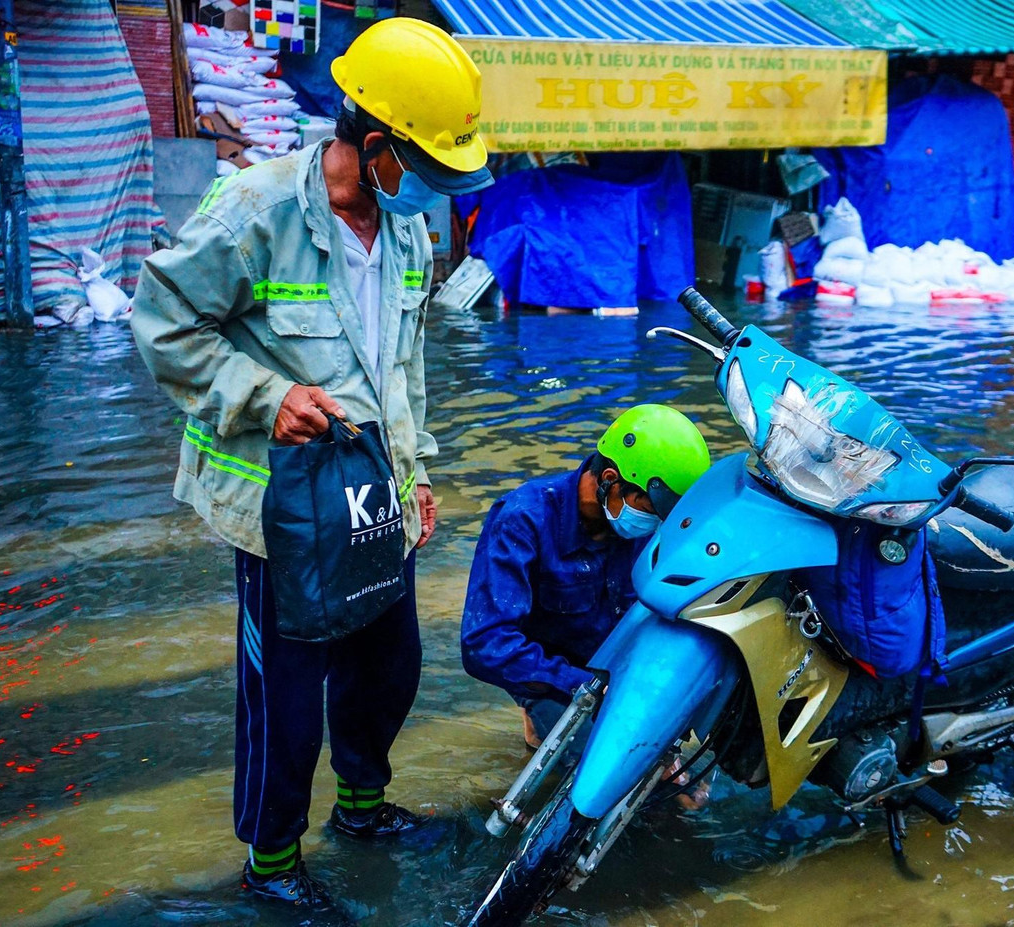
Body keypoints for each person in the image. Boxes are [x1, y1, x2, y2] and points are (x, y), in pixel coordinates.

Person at [130, 18, 493, 911]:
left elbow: (403, 365)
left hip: (376, 497)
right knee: (283, 698)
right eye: (428, 169)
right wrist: (265, 395)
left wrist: (415, 475)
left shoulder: (407, 234)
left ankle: (363, 809)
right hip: (281, 510)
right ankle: (272, 864)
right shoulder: (256, 210)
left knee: (389, 664)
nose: (437, 194)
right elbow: (163, 322)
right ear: (374, 147)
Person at [460, 405, 711, 746]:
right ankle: (535, 712)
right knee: (594, 782)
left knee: (683, 788)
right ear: (610, 480)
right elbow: (485, 642)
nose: (655, 524)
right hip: (555, 676)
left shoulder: (642, 526)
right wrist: (579, 684)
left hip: (623, 669)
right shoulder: (523, 520)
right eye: (651, 509)